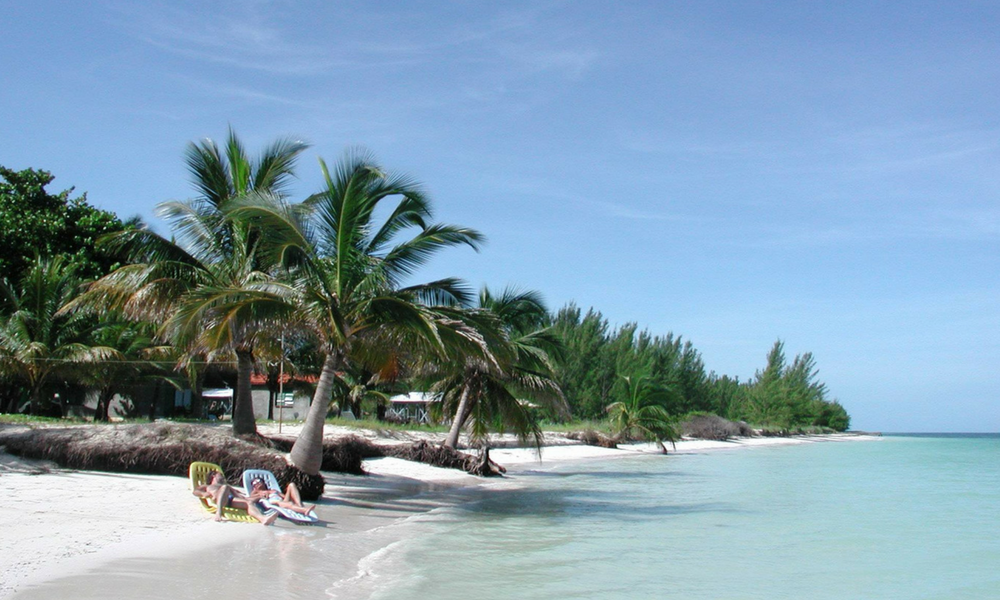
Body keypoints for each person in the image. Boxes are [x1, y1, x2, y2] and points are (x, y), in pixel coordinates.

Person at [193, 471, 277, 526]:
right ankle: (218, 513)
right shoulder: (208, 486)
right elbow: (195, 491)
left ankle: (263, 519)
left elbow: (244, 498)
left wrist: (260, 496)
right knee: (225, 487)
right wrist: (204, 493)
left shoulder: (228, 487)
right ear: (214, 475)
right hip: (217, 500)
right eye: (220, 474)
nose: (223, 476)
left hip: (230, 501)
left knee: (249, 503)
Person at [247, 476, 316, 517]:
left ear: (263, 482)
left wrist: (290, 497)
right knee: (284, 503)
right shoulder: (257, 492)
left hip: (281, 501)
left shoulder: (273, 490)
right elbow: (250, 497)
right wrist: (259, 494)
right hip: (274, 503)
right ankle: (304, 510)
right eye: (254, 483)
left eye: (258, 481)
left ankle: (299, 505)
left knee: (291, 485)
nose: (256, 483)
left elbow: (284, 497)